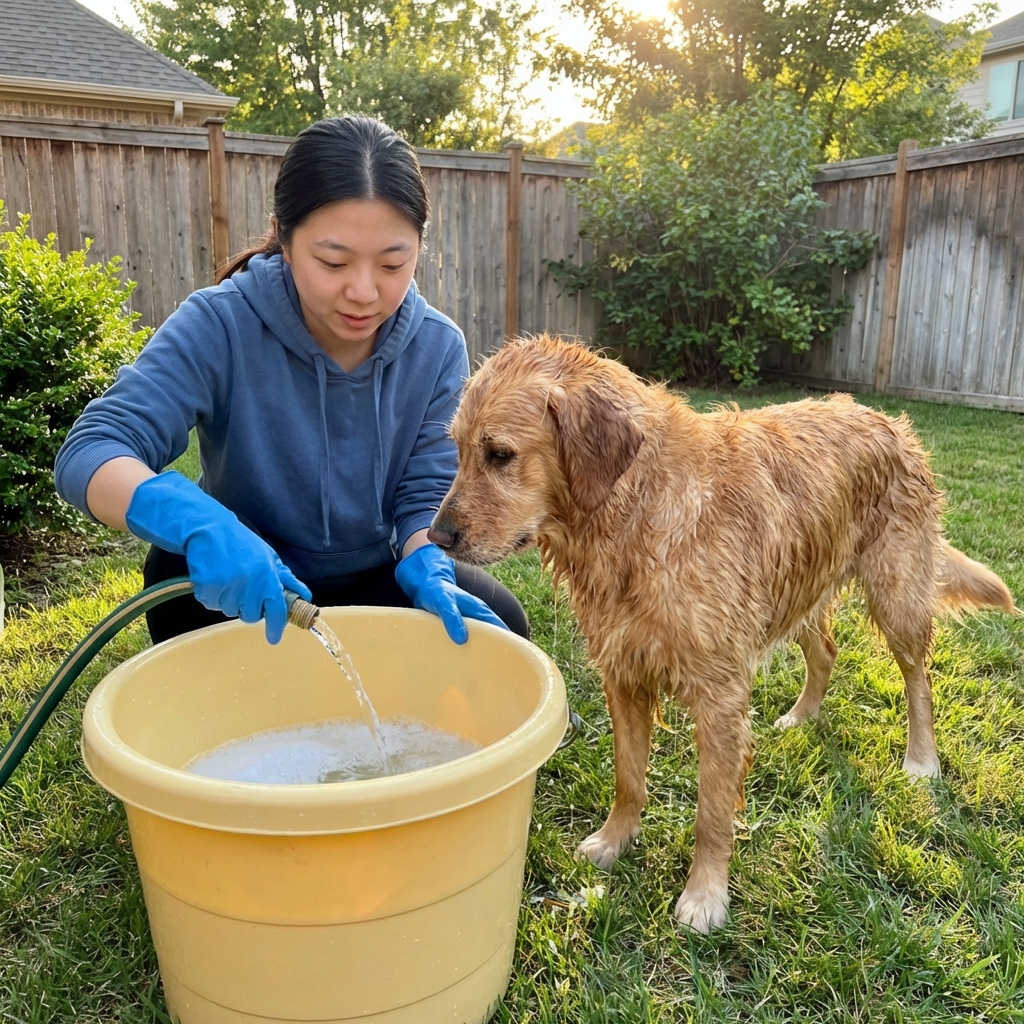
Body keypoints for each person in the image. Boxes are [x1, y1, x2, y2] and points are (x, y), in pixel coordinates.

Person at [54, 116, 528, 647]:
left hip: (377, 573)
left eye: (394, 264)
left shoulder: (437, 345)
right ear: (283, 236)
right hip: (240, 581)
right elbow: (92, 449)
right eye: (333, 262)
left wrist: (425, 558)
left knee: (502, 624)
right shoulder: (220, 323)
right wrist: (195, 522)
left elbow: (422, 493)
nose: (364, 292)